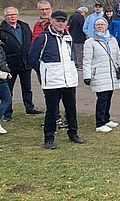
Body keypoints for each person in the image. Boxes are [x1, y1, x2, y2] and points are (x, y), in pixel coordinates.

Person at [29, 10, 85, 149]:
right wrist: (45, 71)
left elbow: (71, 57)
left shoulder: (68, 37)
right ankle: (49, 138)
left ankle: (73, 133)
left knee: (71, 108)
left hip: (69, 81)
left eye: (63, 21)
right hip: (52, 82)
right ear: (52, 21)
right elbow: (32, 58)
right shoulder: (43, 37)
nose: (60, 24)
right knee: (52, 111)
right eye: (57, 21)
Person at [0, 7, 43, 120]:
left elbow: (30, 41)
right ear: (5, 17)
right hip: (9, 65)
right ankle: (7, 113)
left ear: (18, 15)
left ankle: (29, 108)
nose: (12, 16)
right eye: (9, 15)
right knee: (8, 90)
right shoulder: (0, 30)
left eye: (14, 14)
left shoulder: (24, 26)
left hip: (25, 63)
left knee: (27, 88)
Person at [82, 18, 120, 133]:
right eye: (97, 25)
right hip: (99, 74)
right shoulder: (90, 42)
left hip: (111, 74)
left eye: (102, 24)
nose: (100, 26)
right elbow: (87, 60)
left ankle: (106, 119)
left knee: (109, 97)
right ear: (94, 27)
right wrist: (87, 75)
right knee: (102, 98)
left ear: (106, 26)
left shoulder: (112, 40)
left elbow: (118, 57)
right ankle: (100, 123)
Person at [67, 6, 88, 71]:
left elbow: (69, 25)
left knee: (74, 51)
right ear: (83, 12)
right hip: (79, 36)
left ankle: (75, 64)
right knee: (79, 51)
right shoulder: (80, 17)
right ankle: (80, 65)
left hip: (72, 35)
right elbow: (83, 27)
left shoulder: (72, 16)